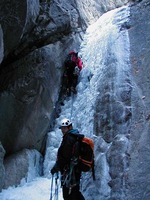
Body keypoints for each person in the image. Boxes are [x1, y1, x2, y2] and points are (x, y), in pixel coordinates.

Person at [51, 118, 85, 200]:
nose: (62, 130)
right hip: (74, 171)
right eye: (62, 128)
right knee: (75, 193)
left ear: (69, 127)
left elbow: (65, 157)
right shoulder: (74, 137)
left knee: (68, 195)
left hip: (69, 172)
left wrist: (57, 167)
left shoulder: (69, 138)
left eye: (64, 128)